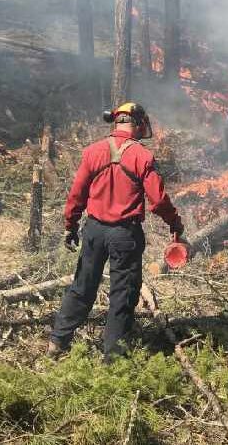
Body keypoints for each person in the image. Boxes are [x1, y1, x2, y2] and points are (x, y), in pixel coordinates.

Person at [48, 102, 184, 359]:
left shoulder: (92, 151)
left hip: (95, 231)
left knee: (83, 286)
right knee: (123, 294)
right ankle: (113, 358)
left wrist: (71, 225)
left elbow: (77, 194)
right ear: (140, 124)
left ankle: (57, 342)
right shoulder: (142, 157)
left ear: (116, 122)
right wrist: (175, 224)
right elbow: (159, 200)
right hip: (125, 235)